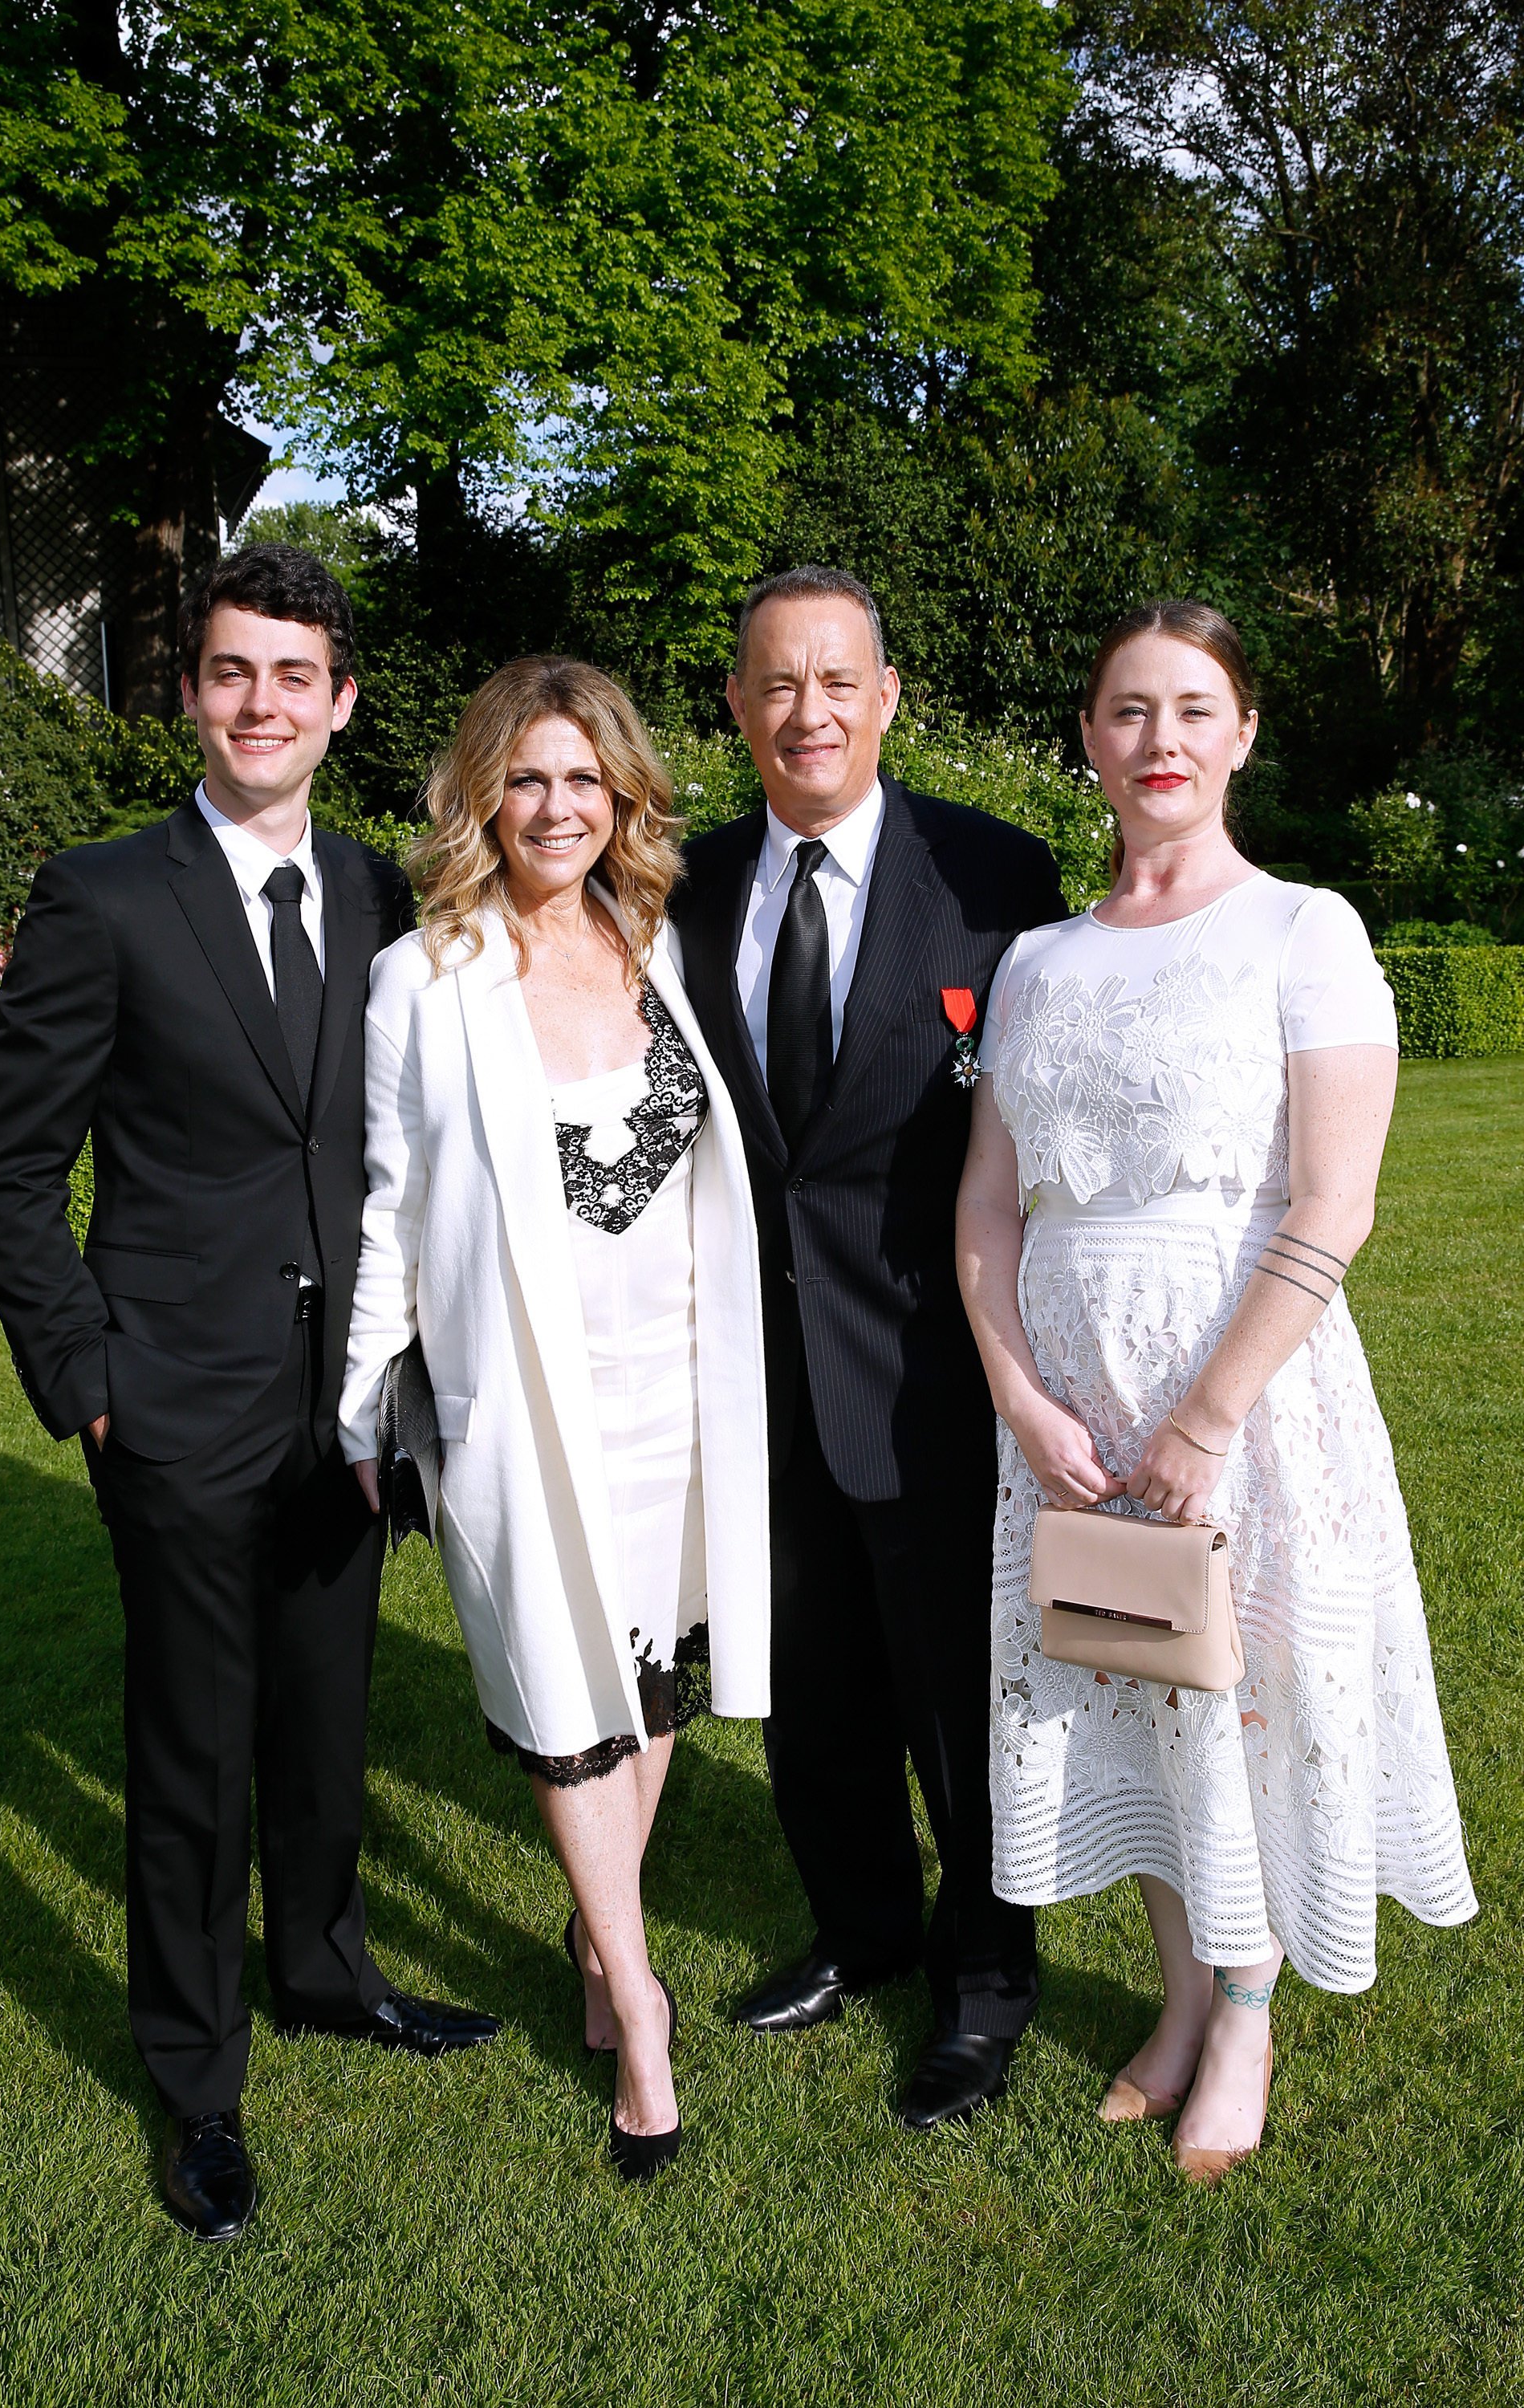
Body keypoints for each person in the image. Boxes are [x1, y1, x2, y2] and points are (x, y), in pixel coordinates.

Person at [0, 546, 500, 2245]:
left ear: (341, 703)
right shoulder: (104, 896)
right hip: (173, 1399)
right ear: (185, 692)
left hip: (346, 1402)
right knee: (193, 1752)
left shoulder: (382, 896)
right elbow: (12, 1168)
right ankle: (196, 2081)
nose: (259, 703)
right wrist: (88, 1382)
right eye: (228, 672)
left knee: (324, 1721)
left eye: (293, 677)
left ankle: (326, 1972)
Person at [957, 598, 1477, 2182]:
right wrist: (1019, 1400)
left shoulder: (1303, 929)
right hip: (1066, 1407)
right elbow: (986, 1206)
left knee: (1240, 1695)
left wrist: (1203, 1417)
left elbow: (1336, 1201)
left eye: (1191, 710)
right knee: (1128, 1687)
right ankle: (1181, 1994)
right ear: (1091, 741)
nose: (1158, 740)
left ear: (1240, 734)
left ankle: (1244, 2014)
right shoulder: (1036, 961)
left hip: (1242, 1394)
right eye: (1127, 711)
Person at [337, 656, 770, 2182]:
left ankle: (604, 1947)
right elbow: (390, 1206)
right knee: (557, 1682)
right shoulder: (424, 977)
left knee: (651, 1674)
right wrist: (359, 1409)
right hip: (520, 1396)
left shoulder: (653, 939)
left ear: (623, 795)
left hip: (685, 1384)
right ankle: (638, 2003)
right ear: (480, 796)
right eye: (527, 778)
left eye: (585, 779)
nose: (558, 807)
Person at [669, 566, 1067, 2129]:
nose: (807, 711)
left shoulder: (993, 877)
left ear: (888, 696)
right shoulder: (687, 889)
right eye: (775, 683)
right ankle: (860, 1927)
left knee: (960, 1705)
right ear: (736, 707)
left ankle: (984, 1985)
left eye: (837, 680)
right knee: (813, 1693)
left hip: (936, 1375)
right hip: (752, 1379)